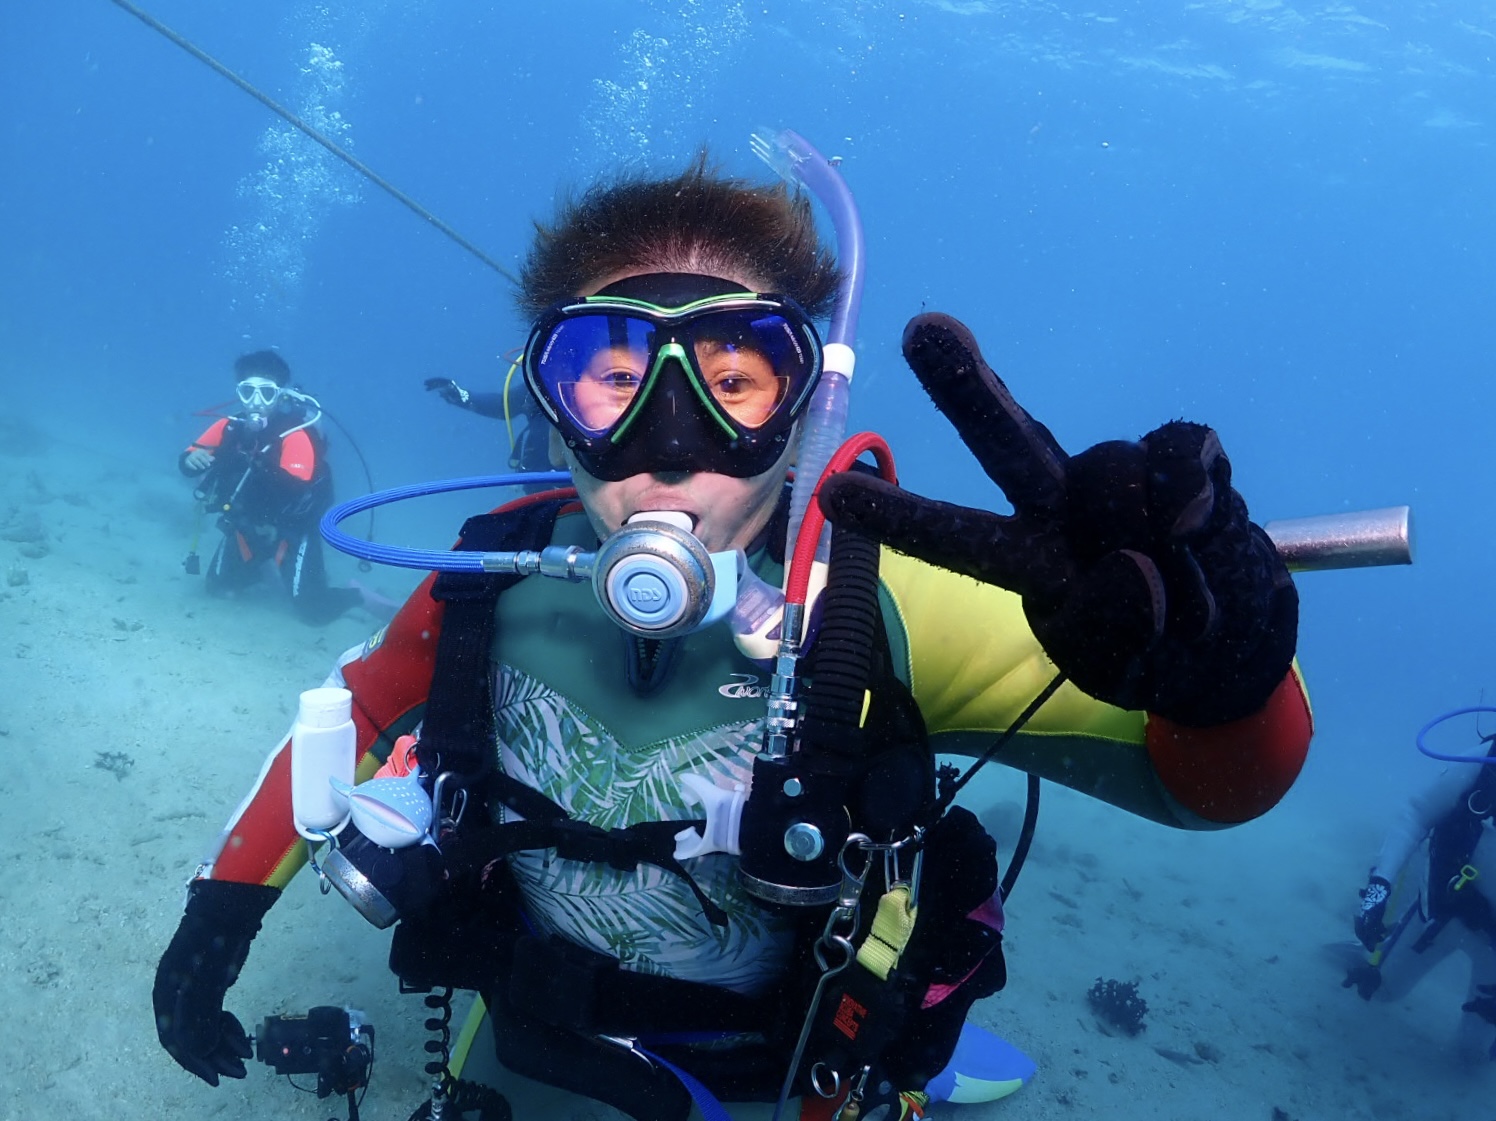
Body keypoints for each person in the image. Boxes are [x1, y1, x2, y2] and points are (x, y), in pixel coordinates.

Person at [153, 155, 1312, 1121]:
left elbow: (1206, 789)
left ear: (802, 406)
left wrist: (1223, 677)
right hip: (539, 1030)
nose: (671, 443)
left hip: (790, 1069)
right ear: (549, 403)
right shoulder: (487, 581)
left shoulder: (888, 598)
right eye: (614, 375)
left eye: (733, 378)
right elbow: (360, 708)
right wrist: (221, 910)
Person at [179, 351, 370, 626]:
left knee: (314, 612)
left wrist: (249, 462)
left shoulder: (294, 433)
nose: (256, 401)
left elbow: (293, 487)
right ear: (239, 393)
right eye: (248, 391)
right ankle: (264, 568)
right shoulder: (229, 428)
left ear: (280, 396)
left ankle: (357, 595)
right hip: (247, 525)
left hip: (291, 531)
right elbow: (189, 461)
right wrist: (190, 461)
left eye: (266, 393)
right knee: (219, 587)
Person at [1345, 757, 1496, 1061]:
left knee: (1472, 1054)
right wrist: (1378, 890)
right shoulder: (1485, 763)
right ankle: (1361, 953)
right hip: (1440, 919)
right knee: (1380, 989)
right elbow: (1416, 814)